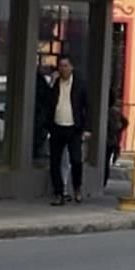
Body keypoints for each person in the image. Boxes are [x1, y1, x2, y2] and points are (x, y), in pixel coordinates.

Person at [48, 56, 90, 205]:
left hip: (73, 128)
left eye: (66, 66)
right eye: (61, 66)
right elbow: (49, 103)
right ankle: (59, 193)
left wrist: (86, 128)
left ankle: (77, 188)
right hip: (57, 126)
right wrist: (52, 83)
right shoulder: (55, 85)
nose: (63, 69)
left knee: (76, 160)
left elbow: (87, 107)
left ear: (71, 67)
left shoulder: (80, 85)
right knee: (55, 162)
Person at [104, 93, 128, 188]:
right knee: (106, 162)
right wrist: (119, 129)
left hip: (109, 139)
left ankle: (103, 181)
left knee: (105, 161)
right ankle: (104, 181)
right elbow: (125, 122)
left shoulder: (109, 112)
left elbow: (124, 122)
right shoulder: (116, 112)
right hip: (112, 139)